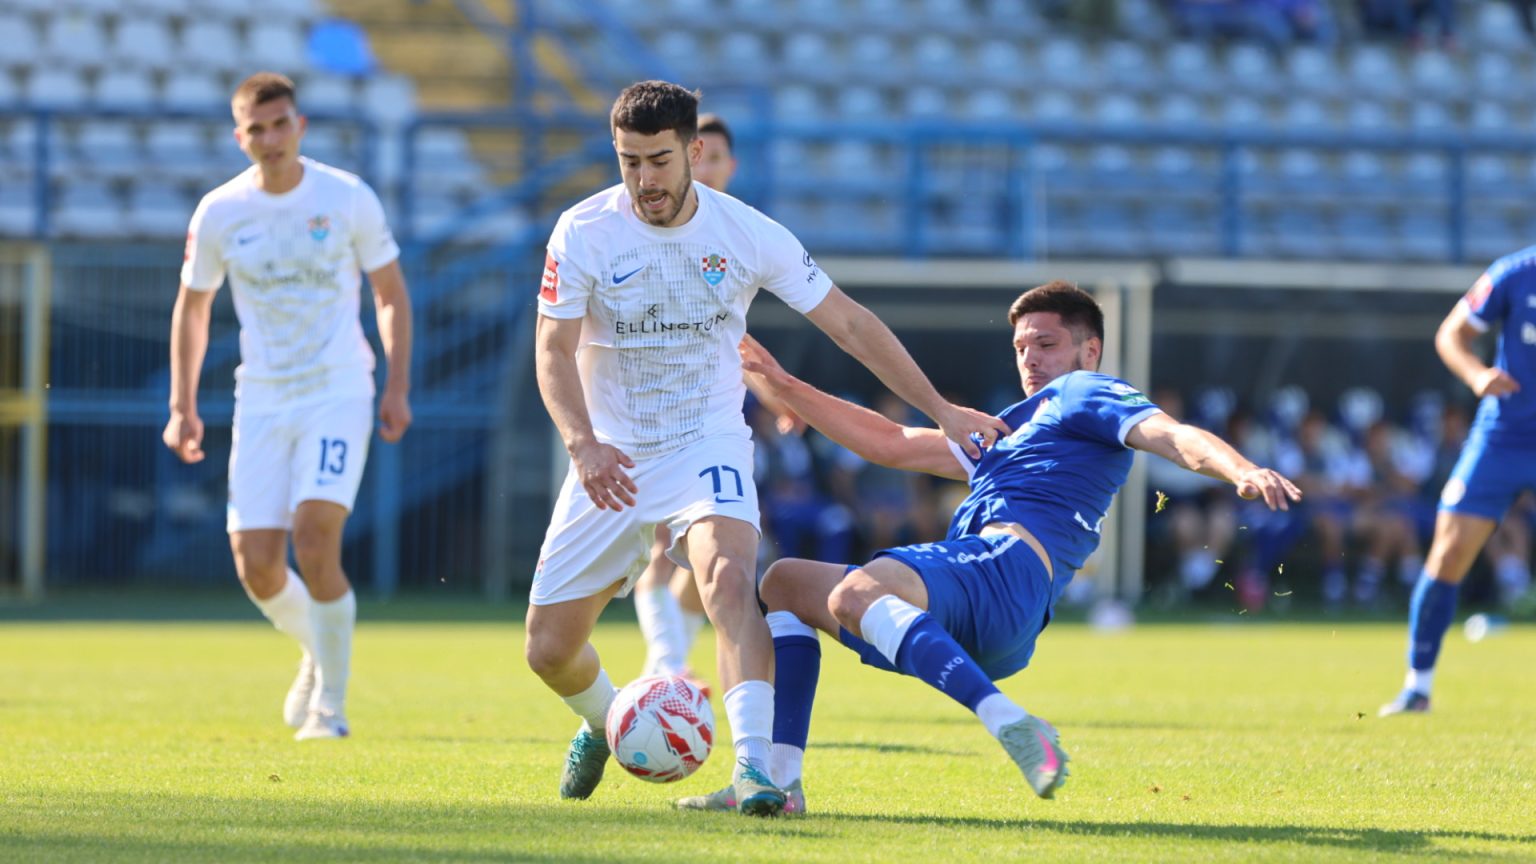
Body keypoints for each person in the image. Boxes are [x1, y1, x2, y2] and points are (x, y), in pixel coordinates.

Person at [528, 80, 1005, 817]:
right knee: (549, 651)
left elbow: (849, 324)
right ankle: (606, 718)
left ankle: (755, 771)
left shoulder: (747, 233)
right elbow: (552, 350)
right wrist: (582, 443)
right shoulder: (582, 231)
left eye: (658, 160)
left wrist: (940, 410)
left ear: (694, 151)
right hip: (612, 457)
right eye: (629, 162)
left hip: (705, 443)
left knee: (727, 581)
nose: (644, 179)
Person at [677, 281, 1302, 812]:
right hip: (987, 604)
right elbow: (890, 442)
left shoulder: (1085, 392)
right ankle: (780, 781)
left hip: (1006, 568)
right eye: (1021, 347)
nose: (1030, 358)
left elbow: (1174, 435)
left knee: (857, 592)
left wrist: (1240, 468)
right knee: (784, 582)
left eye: (1046, 344)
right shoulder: (1011, 428)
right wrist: (781, 383)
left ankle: (1011, 722)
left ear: (1089, 350)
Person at [162, 72, 413, 740]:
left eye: (281, 125)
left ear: (299, 127)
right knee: (257, 566)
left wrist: (396, 385)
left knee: (314, 536)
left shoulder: (346, 197)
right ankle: (315, 648)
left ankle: (331, 706)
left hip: (338, 389)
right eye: (257, 129)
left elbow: (390, 293)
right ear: (239, 136)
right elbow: (193, 308)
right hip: (264, 398)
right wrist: (182, 403)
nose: (270, 139)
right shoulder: (220, 211)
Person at [1379, 252, 1536, 716]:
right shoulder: (1515, 273)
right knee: (1448, 552)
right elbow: (1452, 334)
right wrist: (1477, 375)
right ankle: (1417, 688)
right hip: (1504, 436)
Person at [632, 112, 741, 688]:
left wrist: (778, 394)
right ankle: (667, 664)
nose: (708, 168)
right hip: (647, 411)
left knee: (713, 553)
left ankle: (665, 663)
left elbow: (736, 340)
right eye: (702, 156)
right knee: (660, 546)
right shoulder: (647, 226)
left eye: (718, 158)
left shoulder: (738, 233)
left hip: (716, 414)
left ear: (730, 165)